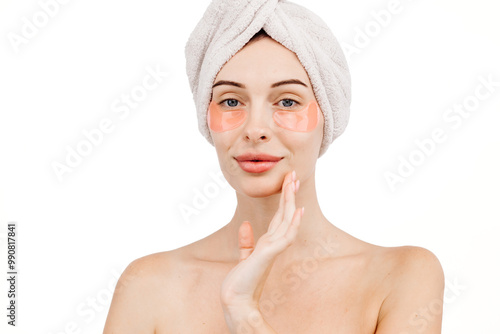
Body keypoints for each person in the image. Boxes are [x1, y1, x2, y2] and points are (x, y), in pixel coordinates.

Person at [103, 1, 444, 333]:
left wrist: (244, 314)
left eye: (287, 101)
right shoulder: (146, 287)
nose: (255, 129)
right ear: (207, 118)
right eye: (231, 101)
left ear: (329, 116)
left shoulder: (402, 277)